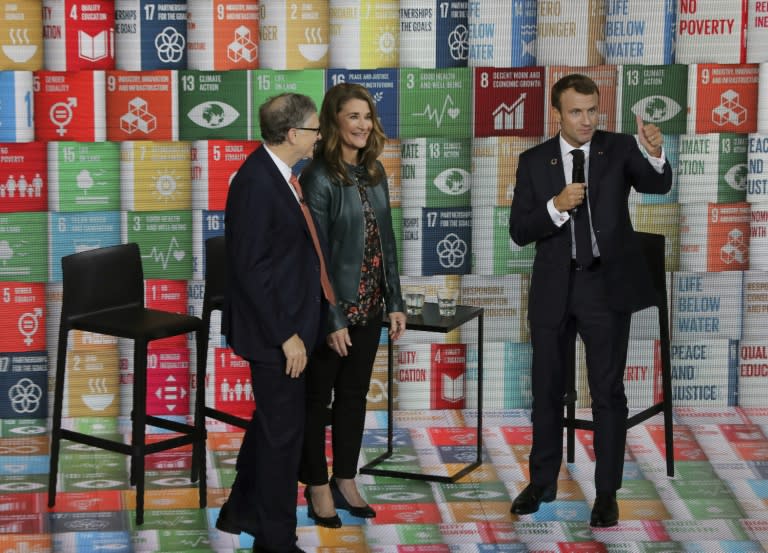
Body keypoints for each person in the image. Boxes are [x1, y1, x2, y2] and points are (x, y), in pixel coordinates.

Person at [508, 74, 672, 527]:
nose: (586, 120)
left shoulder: (618, 148)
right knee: (546, 391)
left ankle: (606, 493)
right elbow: (520, 231)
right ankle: (540, 483)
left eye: (592, 110)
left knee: (607, 393)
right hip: (553, 291)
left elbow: (657, 186)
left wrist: (655, 154)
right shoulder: (534, 161)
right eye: (576, 112)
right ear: (556, 114)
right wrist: (556, 206)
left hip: (605, 288)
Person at [216, 93, 331, 553]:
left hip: (295, 325)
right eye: (314, 129)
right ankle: (276, 542)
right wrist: (287, 336)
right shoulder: (256, 182)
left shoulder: (281, 176)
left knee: (273, 427)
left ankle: (240, 511)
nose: (319, 136)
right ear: (293, 134)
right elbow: (251, 270)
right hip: (275, 334)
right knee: (283, 439)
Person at [298, 83, 407, 528]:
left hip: (370, 306)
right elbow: (315, 255)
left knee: (354, 397)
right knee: (315, 400)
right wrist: (332, 317)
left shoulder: (374, 171)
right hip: (332, 312)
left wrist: (395, 300)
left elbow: (386, 240)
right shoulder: (318, 177)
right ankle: (316, 484)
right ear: (334, 122)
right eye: (354, 117)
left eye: (368, 116)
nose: (363, 125)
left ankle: (345, 478)